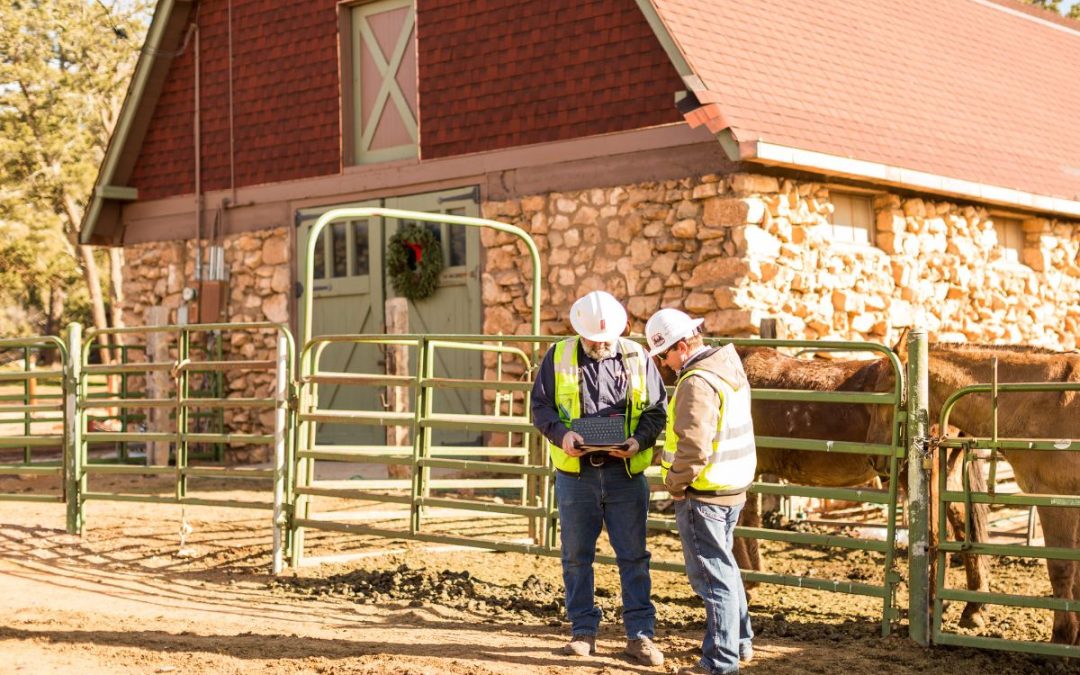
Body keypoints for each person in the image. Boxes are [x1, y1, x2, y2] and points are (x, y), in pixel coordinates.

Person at [531, 290, 668, 667]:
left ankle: (640, 636)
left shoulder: (638, 356)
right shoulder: (557, 356)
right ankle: (583, 632)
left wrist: (638, 440)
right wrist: (563, 436)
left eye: (605, 339)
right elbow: (540, 406)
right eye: (593, 338)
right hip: (576, 475)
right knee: (576, 557)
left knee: (634, 557)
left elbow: (658, 410)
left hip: (624, 473)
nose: (599, 344)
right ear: (579, 331)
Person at [644, 308, 756, 675]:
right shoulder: (728, 366)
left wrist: (674, 484)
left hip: (703, 492)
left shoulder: (696, 381)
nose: (663, 364)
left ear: (678, 347)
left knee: (711, 576)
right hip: (731, 486)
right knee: (725, 568)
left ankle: (719, 662)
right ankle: (739, 643)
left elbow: (693, 447)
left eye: (662, 356)